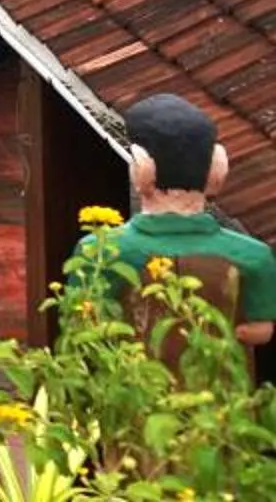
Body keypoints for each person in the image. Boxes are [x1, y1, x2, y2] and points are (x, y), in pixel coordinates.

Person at [88, 93, 275, 348]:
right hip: (222, 383)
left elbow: (85, 326)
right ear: (217, 169)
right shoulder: (254, 255)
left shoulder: (100, 251)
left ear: (142, 169)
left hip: (132, 383)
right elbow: (260, 331)